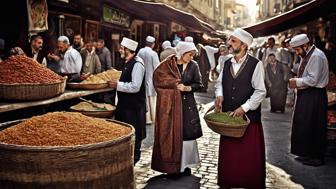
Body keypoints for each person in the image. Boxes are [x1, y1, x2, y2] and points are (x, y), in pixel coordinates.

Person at [214, 28, 266, 188]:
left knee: (248, 157)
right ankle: (229, 182)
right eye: (230, 40)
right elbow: (219, 83)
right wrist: (219, 94)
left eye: (233, 41)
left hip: (249, 121)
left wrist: (244, 107)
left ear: (243, 45)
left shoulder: (256, 65)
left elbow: (260, 91)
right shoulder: (226, 62)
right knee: (229, 157)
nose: (229, 43)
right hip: (229, 120)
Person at [152, 41, 203, 176]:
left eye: (193, 55)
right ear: (181, 53)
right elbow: (158, 79)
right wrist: (174, 85)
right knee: (170, 135)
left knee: (186, 136)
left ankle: (185, 166)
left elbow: (199, 84)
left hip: (187, 106)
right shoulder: (168, 64)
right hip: (170, 107)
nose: (191, 57)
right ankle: (171, 167)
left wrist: (187, 88)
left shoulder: (194, 66)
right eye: (189, 54)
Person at [289, 33, 329, 166]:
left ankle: (317, 157)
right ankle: (308, 153)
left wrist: (296, 81)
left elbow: (313, 79)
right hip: (308, 94)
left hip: (315, 95)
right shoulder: (308, 54)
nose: (296, 52)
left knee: (315, 125)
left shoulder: (316, 56)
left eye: (297, 49)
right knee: (306, 124)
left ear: (305, 45)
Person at [108, 37, 146, 164]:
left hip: (134, 107)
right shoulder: (129, 62)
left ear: (128, 50)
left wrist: (117, 85)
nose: (119, 50)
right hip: (126, 106)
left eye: (122, 48)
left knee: (134, 132)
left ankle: (134, 158)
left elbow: (135, 87)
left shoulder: (137, 64)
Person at [137, 36, 160, 125]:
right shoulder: (153, 53)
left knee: (144, 99)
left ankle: (145, 119)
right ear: (153, 44)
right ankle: (151, 118)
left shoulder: (140, 51)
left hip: (141, 78)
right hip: (151, 79)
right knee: (151, 100)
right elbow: (157, 68)